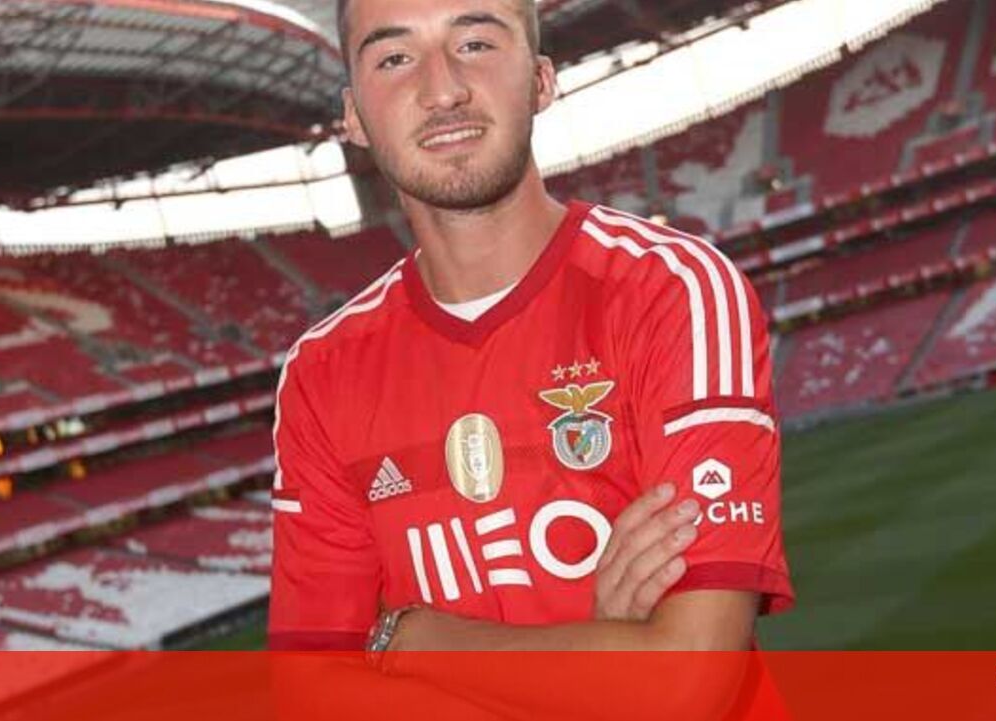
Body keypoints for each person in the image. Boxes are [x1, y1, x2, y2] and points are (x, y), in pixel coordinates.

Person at [269, 0, 791, 660]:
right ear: (353, 117)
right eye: (395, 58)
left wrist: (414, 642)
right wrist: (613, 648)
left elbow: (692, 674)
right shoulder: (321, 374)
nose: (443, 90)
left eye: (476, 45)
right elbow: (316, 691)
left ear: (541, 81)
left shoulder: (672, 289)